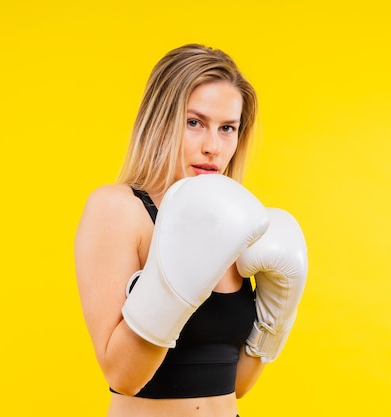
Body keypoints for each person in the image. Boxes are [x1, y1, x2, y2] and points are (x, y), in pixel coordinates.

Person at [74, 44, 308, 417]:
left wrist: (275, 316)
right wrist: (178, 278)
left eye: (227, 128)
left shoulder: (240, 226)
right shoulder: (119, 209)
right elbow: (122, 376)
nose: (213, 147)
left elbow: (237, 386)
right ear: (160, 121)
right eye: (194, 122)